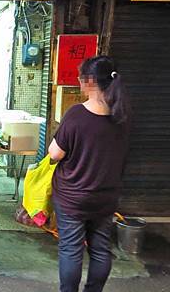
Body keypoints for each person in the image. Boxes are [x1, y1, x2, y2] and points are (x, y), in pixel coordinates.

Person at [48, 56, 130, 292]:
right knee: (101, 249)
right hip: (106, 196)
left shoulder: (77, 115)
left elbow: (55, 154)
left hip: (73, 197)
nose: (78, 81)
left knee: (71, 250)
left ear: (90, 81)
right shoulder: (122, 116)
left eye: (80, 77)